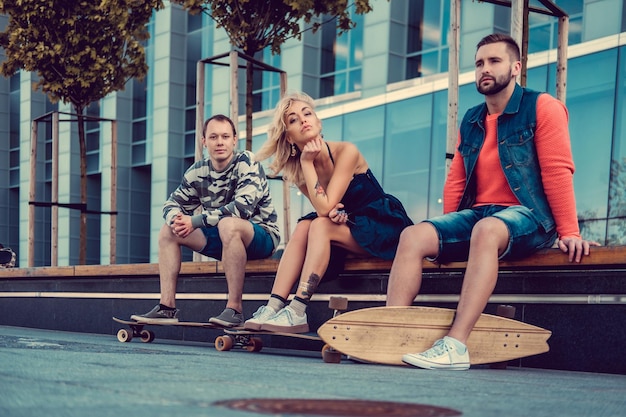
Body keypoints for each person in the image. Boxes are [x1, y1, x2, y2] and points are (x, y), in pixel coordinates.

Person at [386, 33, 601, 370]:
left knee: (486, 229)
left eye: (494, 61)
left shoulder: (542, 106)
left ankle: (455, 345)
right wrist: (445, 237)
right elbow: (457, 179)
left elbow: (558, 171)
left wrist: (569, 231)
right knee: (413, 236)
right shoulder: (471, 118)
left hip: (528, 216)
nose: (484, 69)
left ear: (516, 67)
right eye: (479, 63)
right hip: (478, 216)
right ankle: (390, 333)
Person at [246, 91, 413, 333]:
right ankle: (273, 306)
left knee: (319, 224)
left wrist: (307, 164)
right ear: (290, 138)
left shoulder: (347, 151)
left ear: (318, 122)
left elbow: (324, 208)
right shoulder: (299, 173)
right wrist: (333, 213)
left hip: (381, 225)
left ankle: (297, 310)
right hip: (350, 226)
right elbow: (327, 209)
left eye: (307, 113)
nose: (303, 120)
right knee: (305, 226)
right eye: (293, 120)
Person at [131, 114, 280, 327]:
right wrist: (178, 220)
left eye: (225, 136)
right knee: (168, 231)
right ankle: (167, 308)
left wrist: (196, 220)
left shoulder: (247, 162)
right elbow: (170, 204)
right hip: (223, 237)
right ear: (204, 141)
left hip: (262, 237)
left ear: (234, 140)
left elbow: (242, 208)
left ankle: (234, 310)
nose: (220, 142)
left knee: (228, 224)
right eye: (213, 137)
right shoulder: (197, 172)